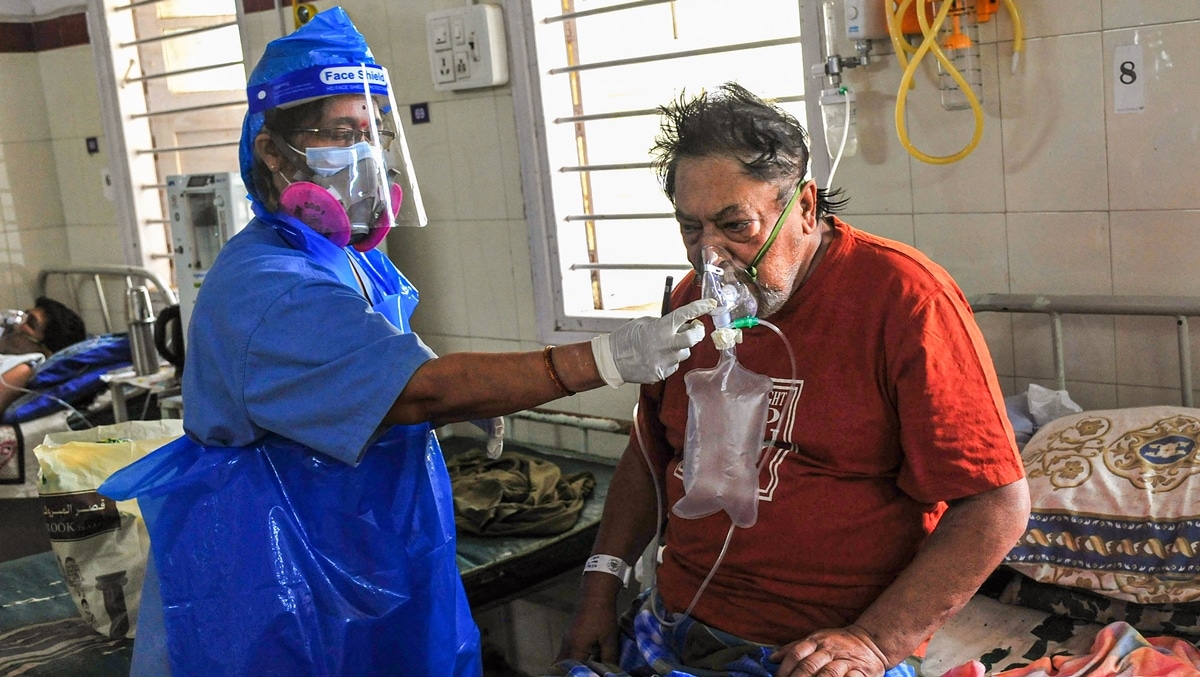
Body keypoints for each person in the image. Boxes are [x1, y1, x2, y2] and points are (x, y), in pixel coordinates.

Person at [96, 8, 715, 677]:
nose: (365, 157)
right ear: (273, 152)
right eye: (343, 136)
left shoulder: (339, 255)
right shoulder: (267, 286)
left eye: (371, 134)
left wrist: (464, 390)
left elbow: (388, 362)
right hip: (278, 581)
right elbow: (417, 389)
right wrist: (604, 357)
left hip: (360, 557)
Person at [553, 83, 1031, 677]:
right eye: (690, 230)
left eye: (736, 226)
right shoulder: (688, 307)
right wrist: (599, 591)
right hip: (674, 623)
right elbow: (650, 455)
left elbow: (995, 503)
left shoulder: (903, 302)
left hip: (815, 654)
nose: (711, 259)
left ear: (804, 207)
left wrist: (875, 644)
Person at [0, 296, 86, 412]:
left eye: (30, 323)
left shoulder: (23, 369)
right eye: (24, 315)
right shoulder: (9, 353)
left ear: (47, 351)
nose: (15, 322)